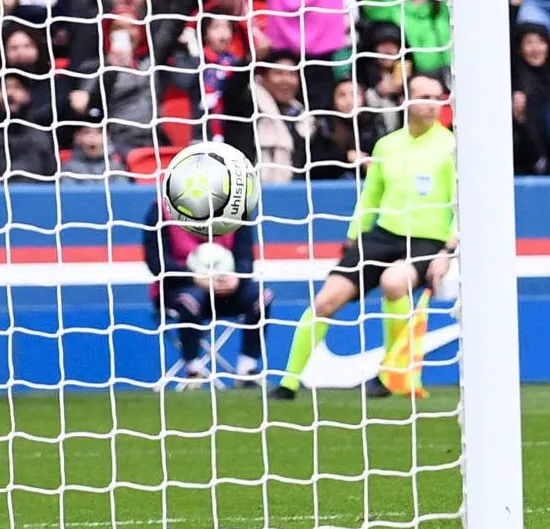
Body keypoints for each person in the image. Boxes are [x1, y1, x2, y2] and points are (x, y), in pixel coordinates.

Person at [273, 74, 457, 401]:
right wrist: (353, 238)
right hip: (382, 235)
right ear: (407, 100)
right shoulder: (388, 145)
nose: (432, 104)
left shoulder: (451, 147)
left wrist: (447, 249)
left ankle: (390, 375)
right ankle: (288, 382)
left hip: (427, 241)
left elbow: (461, 204)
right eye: (424, 96)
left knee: (394, 282)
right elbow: (370, 198)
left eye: (437, 97)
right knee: (326, 299)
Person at [143, 195, 269, 388]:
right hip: (177, 288)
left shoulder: (237, 210)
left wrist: (236, 278)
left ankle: (247, 369)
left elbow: (245, 258)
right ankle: (193, 369)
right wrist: (194, 278)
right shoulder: (160, 210)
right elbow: (157, 263)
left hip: (225, 288)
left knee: (262, 296)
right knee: (191, 299)